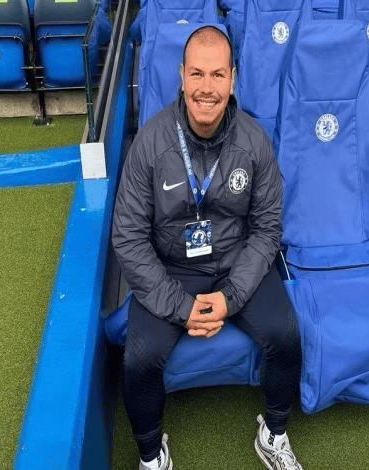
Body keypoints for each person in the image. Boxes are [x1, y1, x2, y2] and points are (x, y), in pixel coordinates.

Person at [111, 25, 303, 470]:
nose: (207, 88)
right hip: (172, 268)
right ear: (181, 75)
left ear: (233, 78)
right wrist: (181, 306)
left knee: (286, 335)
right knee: (139, 359)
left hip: (236, 263)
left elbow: (267, 228)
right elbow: (129, 237)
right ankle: (151, 455)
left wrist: (231, 296)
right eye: (197, 73)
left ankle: (274, 433)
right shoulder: (150, 142)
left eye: (218, 75)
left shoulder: (253, 140)